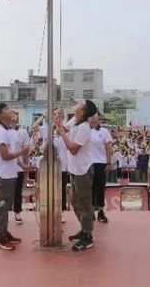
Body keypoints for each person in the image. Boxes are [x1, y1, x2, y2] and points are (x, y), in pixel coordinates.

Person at [56, 100, 98, 252]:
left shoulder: (84, 127)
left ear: (83, 111)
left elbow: (73, 149)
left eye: (80, 104)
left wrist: (62, 134)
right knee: (74, 201)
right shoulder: (75, 120)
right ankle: (83, 229)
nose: (76, 104)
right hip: (74, 169)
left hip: (83, 170)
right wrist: (58, 121)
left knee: (84, 203)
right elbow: (61, 130)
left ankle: (88, 236)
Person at [0, 103, 31, 251]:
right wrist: (23, 151)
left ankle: (5, 232)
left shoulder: (9, 131)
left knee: (7, 205)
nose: (10, 111)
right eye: (6, 110)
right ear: (0, 115)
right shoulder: (1, 132)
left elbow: (12, 154)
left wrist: (22, 166)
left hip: (11, 172)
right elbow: (6, 156)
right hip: (4, 174)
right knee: (3, 206)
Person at [90, 120, 112, 223]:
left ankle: (100, 212)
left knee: (100, 188)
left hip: (101, 163)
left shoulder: (104, 131)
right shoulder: (85, 130)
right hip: (88, 164)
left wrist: (108, 162)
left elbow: (108, 148)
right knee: (89, 188)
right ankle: (90, 212)